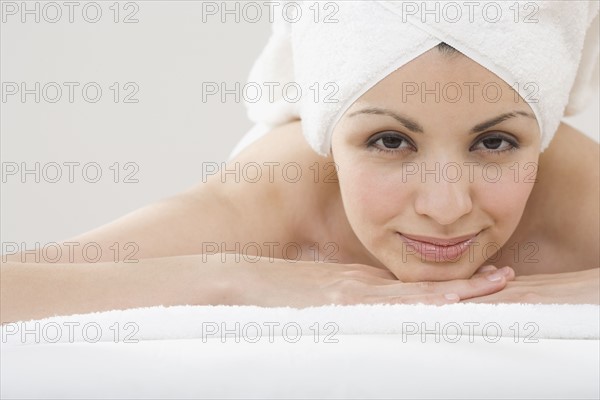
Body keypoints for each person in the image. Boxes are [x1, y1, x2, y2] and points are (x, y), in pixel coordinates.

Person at [1, 8, 598, 324]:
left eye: (495, 144)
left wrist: (565, 292)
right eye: (390, 142)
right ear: (327, 134)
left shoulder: (575, 193)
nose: (445, 208)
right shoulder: (264, 202)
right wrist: (230, 277)